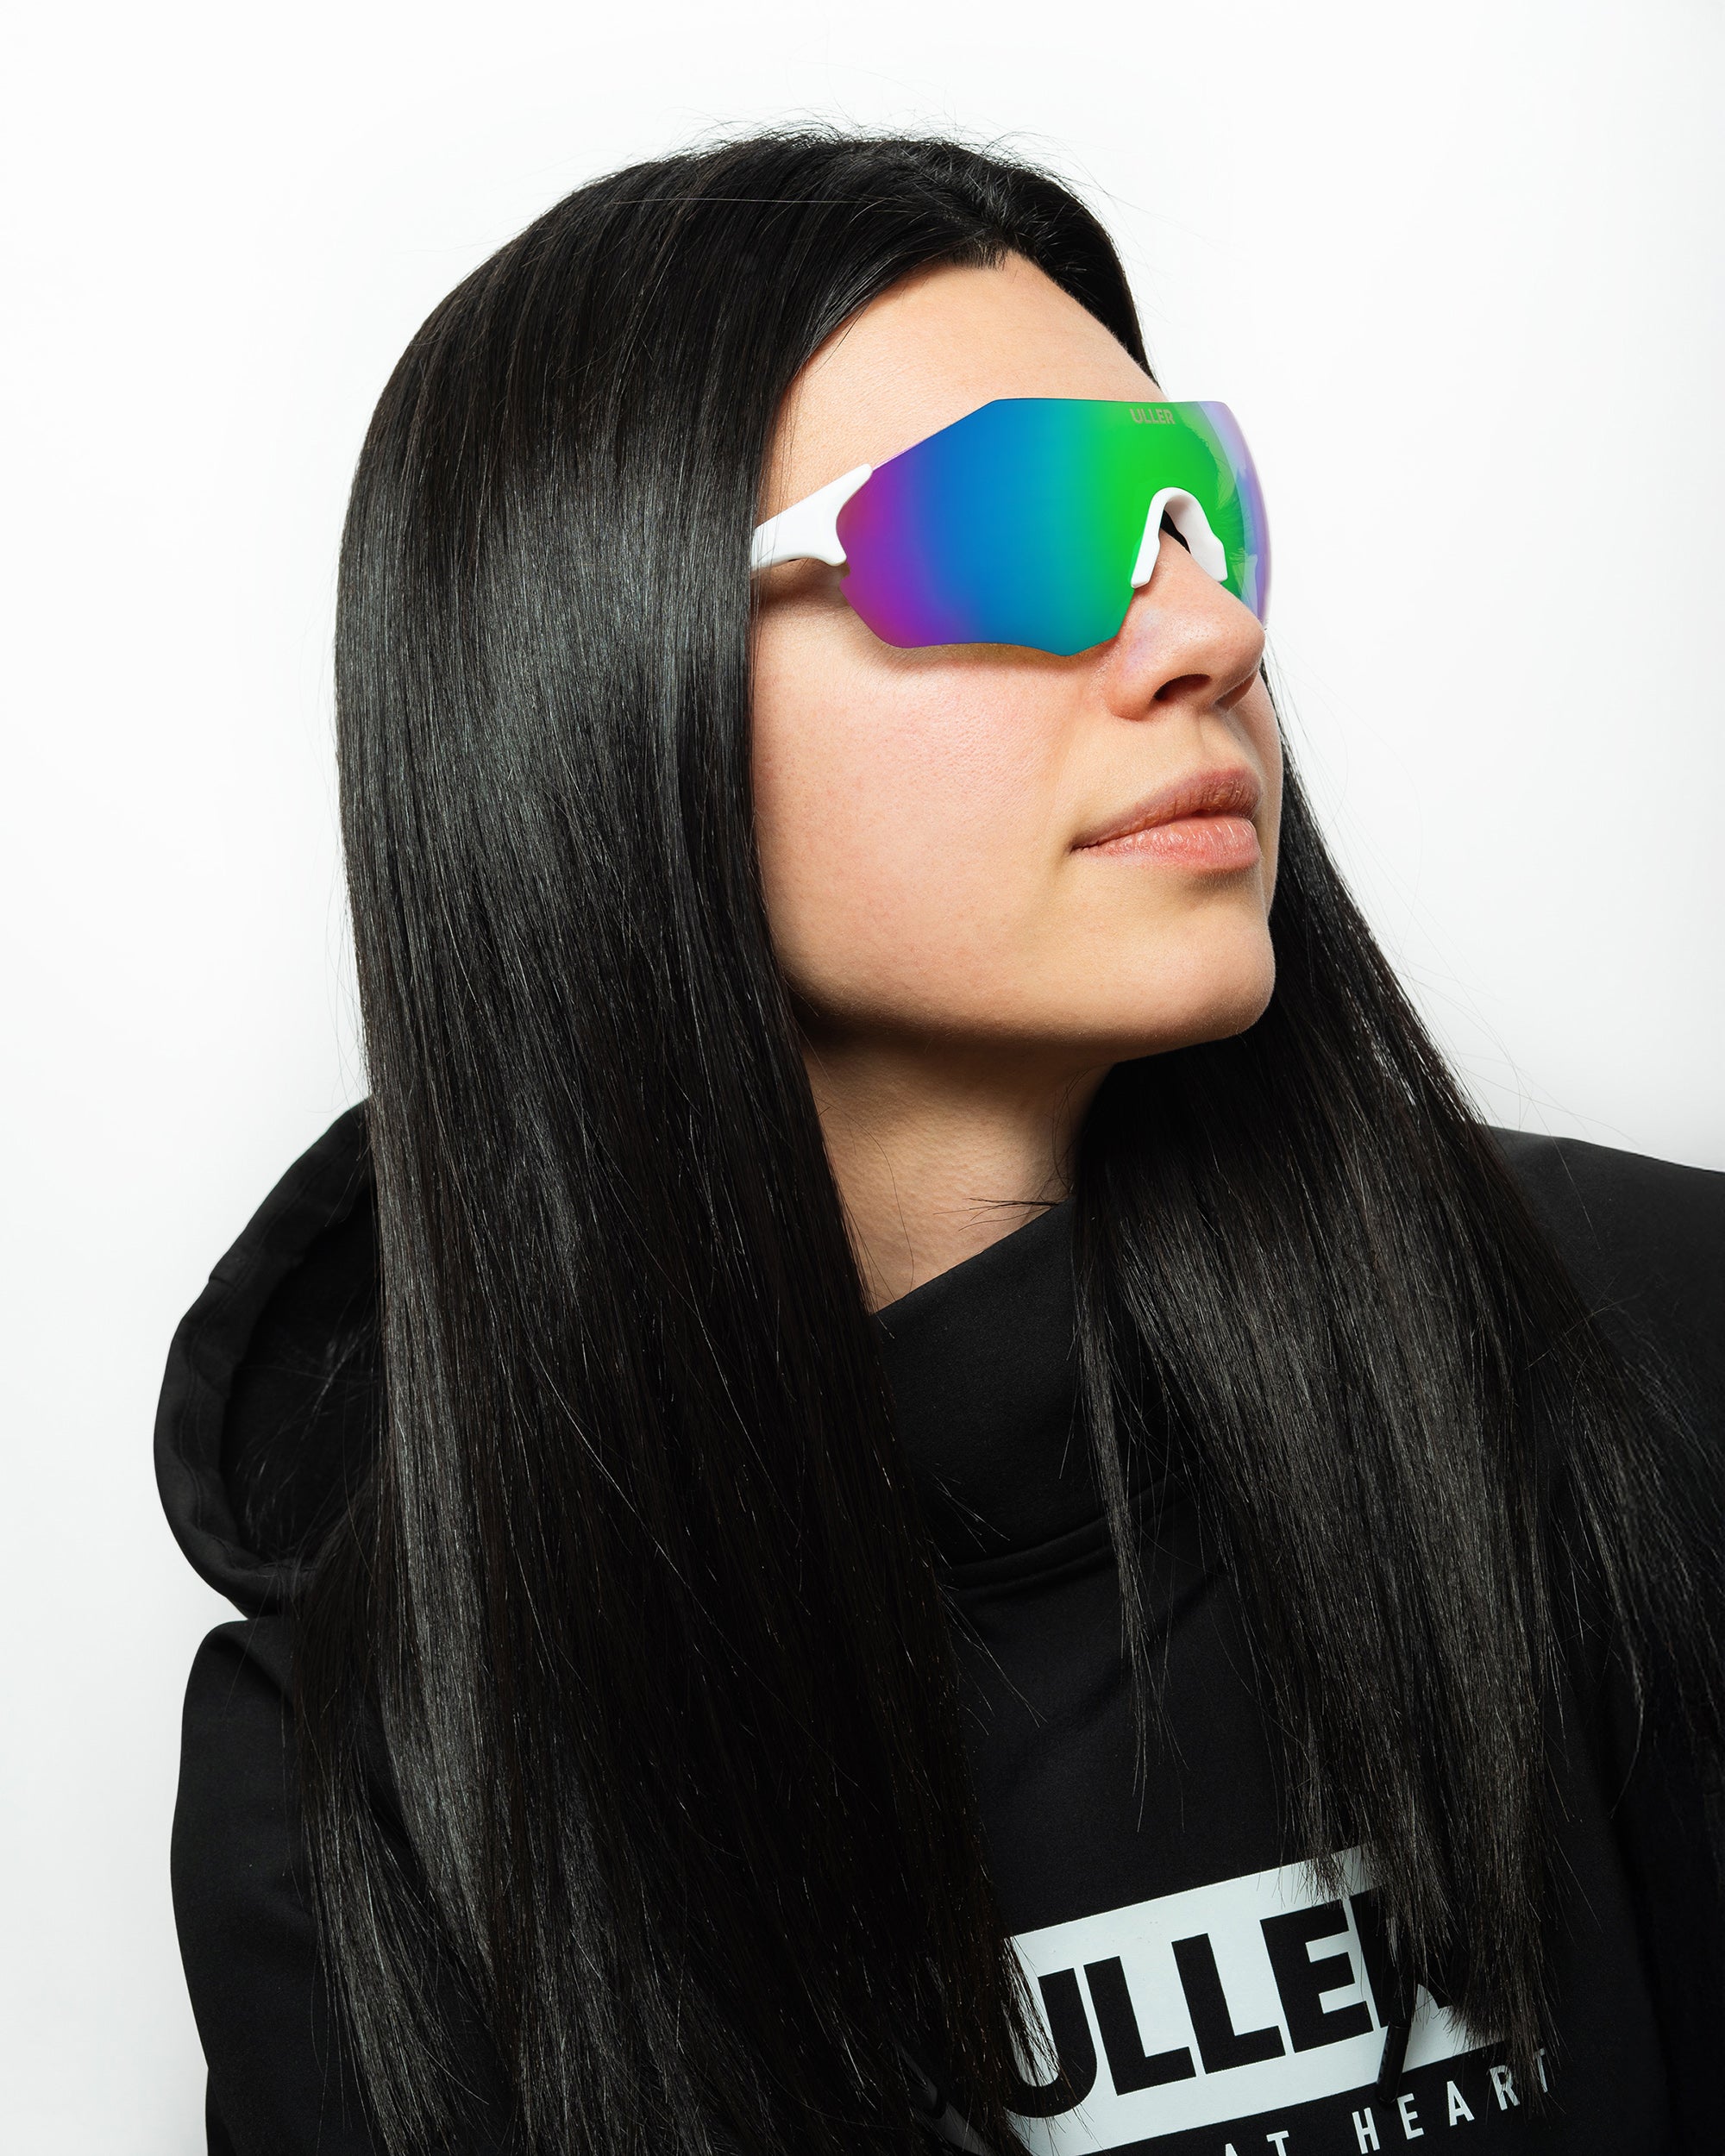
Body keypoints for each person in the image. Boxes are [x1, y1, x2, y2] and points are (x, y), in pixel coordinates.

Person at [156, 131, 1725, 2156]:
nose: (1207, 632)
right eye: (1017, 526)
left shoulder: (1653, 1358)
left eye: (1196, 514)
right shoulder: (365, 1774)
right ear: (603, 681)